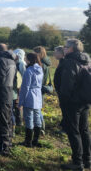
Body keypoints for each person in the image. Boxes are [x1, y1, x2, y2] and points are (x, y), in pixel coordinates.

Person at [59, 39, 91, 170]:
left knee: (74, 131)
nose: (64, 49)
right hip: (85, 100)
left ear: (71, 49)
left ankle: (77, 163)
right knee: (84, 130)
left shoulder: (69, 62)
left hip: (72, 103)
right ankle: (87, 160)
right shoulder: (87, 61)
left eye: (65, 47)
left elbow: (67, 85)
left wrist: (64, 100)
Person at [0, 43, 17, 156]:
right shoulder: (12, 61)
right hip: (9, 93)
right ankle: (7, 142)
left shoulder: (1, 60)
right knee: (7, 119)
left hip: (1, 94)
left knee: (1, 120)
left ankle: (3, 147)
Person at [18, 53, 43, 147]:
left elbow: (25, 87)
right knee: (37, 119)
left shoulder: (28, 71)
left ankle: (28, 141)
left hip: (29, 96)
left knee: (29, 119)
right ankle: (35, 141)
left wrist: (21, 102)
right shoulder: (40, 69)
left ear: (29, 60)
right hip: (38, 96)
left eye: (26, 58)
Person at [33, 46, 52, 136]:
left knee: (37, 109)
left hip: (39, 89)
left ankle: (40, 128)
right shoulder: (45, 63)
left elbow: (40, 79)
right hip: (41, 89)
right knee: (38, 109)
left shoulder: (42, 65)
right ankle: (39, 127)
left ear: (38, 54)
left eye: (34, 53)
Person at [53, 46, 66, 133]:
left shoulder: (65, 63)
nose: (54, 54)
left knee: (66, 110)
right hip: (61, 91)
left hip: (64, 92)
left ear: (61, 53)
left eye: (56, 52)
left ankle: (65, 128)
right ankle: (64, 125)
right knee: (64, 109)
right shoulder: (62, 62)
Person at [13, 49, 26, 128]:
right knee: (16, 103)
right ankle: (18, 121)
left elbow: (23, 75)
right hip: (17, 85)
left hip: (19, 86)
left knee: (18, 103)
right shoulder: (18, 63)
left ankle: (19, 121)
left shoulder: (21, 63)